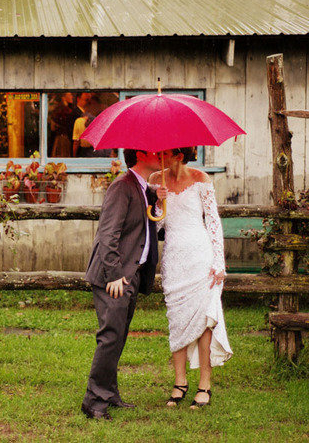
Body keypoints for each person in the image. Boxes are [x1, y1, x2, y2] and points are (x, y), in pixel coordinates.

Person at [81, 149, 167, 420]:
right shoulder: (122, 187)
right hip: (114, 277)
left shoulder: (142, 188)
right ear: (140, 154)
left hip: (131, 275)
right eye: (156, 151)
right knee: (110, 338)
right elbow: (108, 235)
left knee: (119, 337)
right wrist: (114, 274)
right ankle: (94, 402)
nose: (161, 154)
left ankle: (109, 393)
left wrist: (156, 200)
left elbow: (144, 227)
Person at [149, 147, 232, 409]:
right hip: (174, 257)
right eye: (160, 151)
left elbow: (213, 222)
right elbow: (156, 225)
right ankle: (179, 382)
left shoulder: (201, 179)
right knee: (177, 318)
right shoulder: (155, 180)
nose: (162, 155)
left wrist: (219, 261)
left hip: (201, 256)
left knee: (204, 320)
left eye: (168, 151)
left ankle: (204, 384)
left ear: (181, 154)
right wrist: (157, 201)